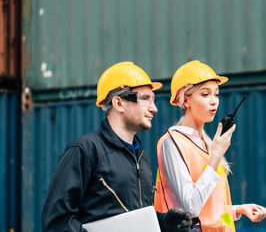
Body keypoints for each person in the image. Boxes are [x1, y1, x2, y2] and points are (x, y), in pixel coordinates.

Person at [41, 62, 192, 232]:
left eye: (153, 100)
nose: (154, 108)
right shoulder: (85, 151)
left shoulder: (141, 157)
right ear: (119, 103)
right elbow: (57, 221)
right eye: (144, 99)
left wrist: (163, 223)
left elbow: (133, 218)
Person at [154, 60, 266, 231]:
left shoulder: (206, 144)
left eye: (216, 94)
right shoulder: (171, 142)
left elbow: (209, 211)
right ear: (185, 100)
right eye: (205, 94)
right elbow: (191, 208)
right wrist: (216, 155)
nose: (214, 101)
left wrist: (239, 209)